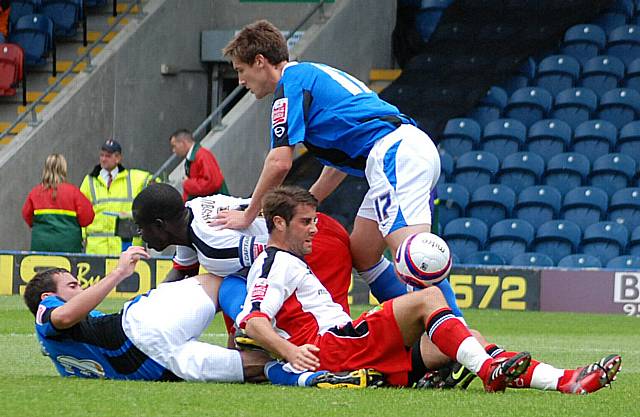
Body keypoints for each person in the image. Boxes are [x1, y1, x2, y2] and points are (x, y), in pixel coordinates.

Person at [237, 186, 622, 393]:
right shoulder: (274, 263)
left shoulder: (287, 262)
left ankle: (564, 380)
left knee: (465, 337)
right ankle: (489, 370)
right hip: (334, 345)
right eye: (306, 222)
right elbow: (252, 321)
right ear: (278, 224)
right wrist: (290, 352)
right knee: (429, 298)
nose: (315, 229)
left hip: (345, 349)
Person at [217, 20, 445, 306]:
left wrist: (249, 213)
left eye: (241, 70)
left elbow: (279, 162)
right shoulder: (311, 75)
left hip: (395, 155)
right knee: (363, 253)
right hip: (397, 153)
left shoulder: (291, 86)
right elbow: (338, 161)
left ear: (260, 61)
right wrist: (311, 201)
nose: (240, 81)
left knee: (416, 257)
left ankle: (465, 343)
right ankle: (422, 329)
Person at [23, 246, 269, 382]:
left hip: (153, 368)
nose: (81, 289)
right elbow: (63, 317)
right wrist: (118, 273)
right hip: (140, 328)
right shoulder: (46, 312)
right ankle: (251, 320)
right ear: (47, 297)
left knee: (258, 367)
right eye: (73, 286)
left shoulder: (60, 352)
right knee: (220, 281)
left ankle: (295, 357)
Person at [80, 139, 155, 255]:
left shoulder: (133, 178)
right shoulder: (89, 181)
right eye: (102, 155)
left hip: (125, 248)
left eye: (108, 156)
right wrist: (82, 236)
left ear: (118, 158)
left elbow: (156, 185)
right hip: (97, 250)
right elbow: (82, 211)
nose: (103, 159)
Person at [22, 154, 94, 253]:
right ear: (64, 169)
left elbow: (27, 215)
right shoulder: (73, 192)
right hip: (69, 247)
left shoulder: (35, 193)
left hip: (41, 247)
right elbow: (87, 218)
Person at [169, 129, 226, 201]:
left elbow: (212, 183)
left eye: (174, 146)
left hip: (213, 205)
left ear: (183, 143)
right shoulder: (196, 156)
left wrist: (187, 183)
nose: (173, 150)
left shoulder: (202, 155)